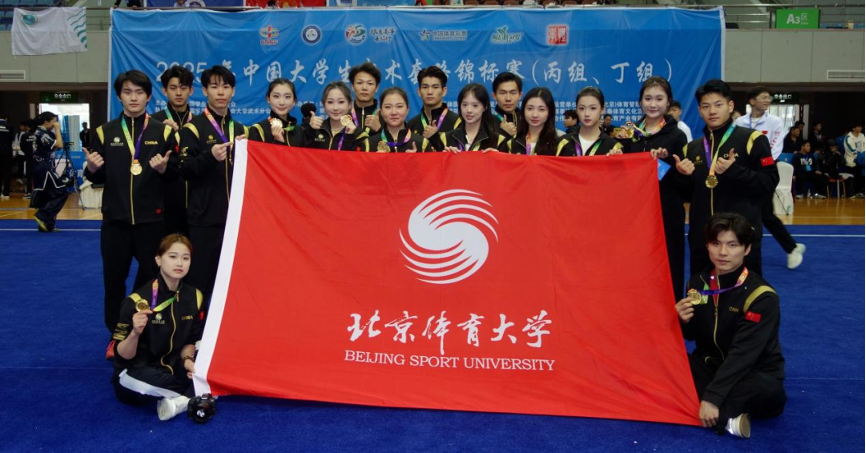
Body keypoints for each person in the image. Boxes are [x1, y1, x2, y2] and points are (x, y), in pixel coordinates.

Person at [85, 70, 178, 359]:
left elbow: (175, 174)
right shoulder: (104, 132)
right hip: (115, 223)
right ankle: (117, 335)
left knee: (151, 282)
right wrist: (91, 170)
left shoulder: (163, 132)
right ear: (119, 96)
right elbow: (97, 177)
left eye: (139, 92)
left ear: (149, 96)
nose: (133, 98)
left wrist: (165, 169)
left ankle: (144, 332)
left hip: (151, 222)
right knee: (113, 282)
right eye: (127, 92)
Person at [675, 213, 785, 437]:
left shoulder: (761, 296)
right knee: (666, 363)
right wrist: (684, 321)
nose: (722, 252)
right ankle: (727, 418)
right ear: (707, 245)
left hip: (750, 372)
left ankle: (705, 409)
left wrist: (712, 397)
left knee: (771, 393)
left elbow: (744, 354)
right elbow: (692, 335)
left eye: (732, 245)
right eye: (716, 243)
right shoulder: (697, 283)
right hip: (709, 366)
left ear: (746, 249)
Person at [674, 79, 779, 277]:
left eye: (718, 104)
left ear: (730, 106)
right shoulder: (692, 148)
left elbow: (769, 182)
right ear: (699, 111)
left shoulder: (752, 139)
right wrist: (684, 177)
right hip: (703, 241)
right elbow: (687, 195)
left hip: (739, 240)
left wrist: (735, 171)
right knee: (702, 293)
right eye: (706, 106)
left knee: (743, 293)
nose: (712, 111)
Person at [111, 234, 205, 421]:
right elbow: (121, 356)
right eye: (173, 256)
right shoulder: (137, 301)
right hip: (140, 371)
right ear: (158, 259)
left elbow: (190, 340)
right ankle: (193, 395)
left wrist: (188, 362)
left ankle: (182, 399)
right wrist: (134, 333)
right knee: (137, 383)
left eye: (185, 258)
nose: (180, 263)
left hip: (174, 368)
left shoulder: (195, 297)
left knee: (206, 370)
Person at [179, 65, 247, 301]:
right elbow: (184, 170)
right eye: (214, 86)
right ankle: (197, 325)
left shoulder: (241, 130)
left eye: (226, 87)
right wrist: (209, 156)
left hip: (235, 221)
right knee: (200, 283)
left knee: (232, 283)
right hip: (204, 220)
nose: (220, 92)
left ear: (233, 91)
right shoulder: (193, 128)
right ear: (205, 91)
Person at [617, 76, 687, 300]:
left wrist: (664, 163)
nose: (653, 104)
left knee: (669, 264)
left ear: (668, 102)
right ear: (640, 102)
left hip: (666, 211)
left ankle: (671, 309)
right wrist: (616, 155)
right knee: (635, 264)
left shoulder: (677, 135)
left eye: (659, 98)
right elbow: (622, 174)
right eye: (648, 98)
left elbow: (683, 182)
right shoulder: (629, 134)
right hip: (635, 213)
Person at [734, 87, 804, 270]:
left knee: (765, 214)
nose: (767, 100)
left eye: (769, 97)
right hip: (743, 172)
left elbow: (775, 146)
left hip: (765, 172)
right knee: (741, 212)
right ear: (752, 101)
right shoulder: (740, 122)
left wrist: (759, 165)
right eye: (763, 97)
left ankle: (792, 248)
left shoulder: (775, 122)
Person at [151, 65, 195, 237]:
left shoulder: (199, 123)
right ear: (164, 90)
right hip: (164, 204)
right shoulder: (154, 123)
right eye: (173, 88)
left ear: (191, 90)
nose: (178, 93)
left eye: (183, 88)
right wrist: (163, 135)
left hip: (194, 204)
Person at [505, 87, 574, 156]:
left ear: (549, 112)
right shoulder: (512, 142)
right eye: (530, 108)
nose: (535, 115)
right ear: (523, 110)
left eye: (541, 109)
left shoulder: (560, 142)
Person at [407, 66, 462, 151]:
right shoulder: (411, 125)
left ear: (444, 91)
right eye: (425, 87)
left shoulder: (457, 122)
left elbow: (461, 154)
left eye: (435, 87)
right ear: (419, 91)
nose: (430, 92)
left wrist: (435, 138)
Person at [440, 83, 505, 153]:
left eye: (475, 105)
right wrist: (446, 156)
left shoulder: (498, 140)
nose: (469, 110)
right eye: (465, 105)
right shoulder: (446, 138)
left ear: (485, 107)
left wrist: (497, 157)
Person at [31, 111, 68, 232]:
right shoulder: (41, 134)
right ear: (46, 122)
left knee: (47, 195)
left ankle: (47, 225)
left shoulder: (40, 133)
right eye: (54, 122)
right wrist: (57, 129)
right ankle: (42, 216)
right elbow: (60, 144)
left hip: (40, 167)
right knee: (61, 192)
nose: (55, 124)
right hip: (45, 168)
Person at [365, 87, 430, 153]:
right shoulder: (369, 144)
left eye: (399, 106)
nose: (394, 112)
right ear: (381, 111)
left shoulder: (422, 143)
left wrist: (416, 158)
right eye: (388, 107)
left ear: (407, 110)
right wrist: (374, 159)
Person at [249, 78, 307, 147]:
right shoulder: (257, 130)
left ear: (294, 100)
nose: (281, 102)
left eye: (287, 97)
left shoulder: (300, 131)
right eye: (276, 96)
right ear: (268, 98)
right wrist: (278, 142)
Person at [567, 87, 622, 156]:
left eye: (593, 108)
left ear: (602, 109)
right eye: (582, 108)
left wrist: (616, 160)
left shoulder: (614, 147)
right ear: (576, 110)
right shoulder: (562, 143)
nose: (587, 114)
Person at [306, 81, 360, 151]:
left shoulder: (359, 134)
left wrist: (349, 137)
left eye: (341, 102)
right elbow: (301, 153)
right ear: (324, 104)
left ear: (350, 104)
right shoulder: (316, 129)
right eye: (330, 102)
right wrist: (310, 130)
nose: (335, 108)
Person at [349, 62, 383, 138]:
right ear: (352, 86)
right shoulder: (344, 115)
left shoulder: (385, 116)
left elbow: (395, 143)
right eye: (359, 83)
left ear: (377, 87)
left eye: (370, 83)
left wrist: (379, 129)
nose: (364, 88)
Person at [491, 72, 523, 140]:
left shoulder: (526, 120)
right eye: (503, 93)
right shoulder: (487, 121)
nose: (508, 98)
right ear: (494, 96)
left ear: (520, 95)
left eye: (513, 93)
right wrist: (503, 133)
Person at [842, 124, 865, 198]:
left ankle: (860, 191)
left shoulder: (862, 136)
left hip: (861, 158)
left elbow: (864, 147)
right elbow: (850, 150)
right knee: (854, 173)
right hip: (851, 159)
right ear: (853, 128)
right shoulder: (848, 137)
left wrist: (862, 156)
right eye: (858, 126)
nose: (860, 128)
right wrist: (858, 157)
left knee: (861, 174)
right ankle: (852, 192)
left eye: (861, 126)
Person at [19, 119, 35, 199]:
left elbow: (22, 147)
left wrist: (27, 152)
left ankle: (29, 192)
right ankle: (38, 192)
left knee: (29, 175)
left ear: (27, 127)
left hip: (28, 158)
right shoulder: (38, 135)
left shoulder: (24, 136)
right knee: (37, 175)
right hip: (38, 158)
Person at [0, 114, 12, 200]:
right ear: (6, 119)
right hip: (7, 152)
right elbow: (11, 139)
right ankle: (6, 193)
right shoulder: (9, 126)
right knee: (7, 172)